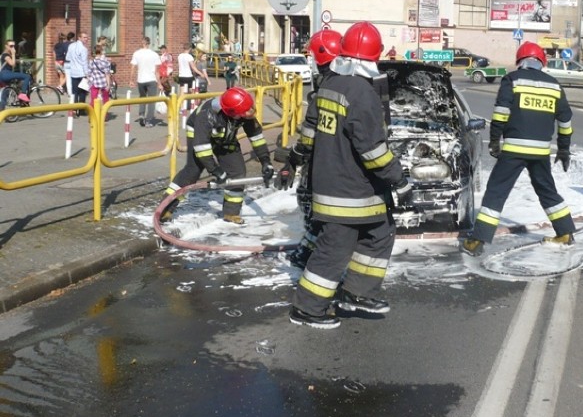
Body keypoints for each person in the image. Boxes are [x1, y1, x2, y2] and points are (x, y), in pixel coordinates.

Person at [289, 21, 411, 330]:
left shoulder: (330, 86)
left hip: (344, 182)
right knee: (334, 248)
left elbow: (311, 132)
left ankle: (357, 293)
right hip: (348, 188)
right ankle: (307, 308)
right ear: (374, 56)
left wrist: (296, 159)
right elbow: (373, 150)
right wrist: (398, 178)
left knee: (380, 232)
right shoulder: (362, 93)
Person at [461, 42, 576, 257]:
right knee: (547, 191)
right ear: (542, 62)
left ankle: (477, 241)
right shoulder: (554, 85)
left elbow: (501, 112)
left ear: (521, 61)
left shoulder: (512, 80)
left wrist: (495, 140)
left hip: (514, 150)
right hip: (541, 153)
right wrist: (563, 150)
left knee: (496, 193)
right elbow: (565, 120)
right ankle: (565, 232)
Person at [160, 87, 275, 225]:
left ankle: (231, 213)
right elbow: (202, 149)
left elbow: (257, 138)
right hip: (199, 132)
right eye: (244, 114)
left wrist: (266, 162)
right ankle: (165, 208)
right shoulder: (206, 116)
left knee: (237, 171)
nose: (248, 115)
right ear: (232, 112)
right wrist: (216, 171)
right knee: (193, 169)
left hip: (225, 135)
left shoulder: (242, 111)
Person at [280, 28, 344, 269]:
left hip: (324, 167)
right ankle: (309, 254)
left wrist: (295, 158)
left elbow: (310, 134)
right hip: (342, 167)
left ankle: (305, 256)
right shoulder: (355, 85)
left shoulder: (323, 92)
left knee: (317, 213)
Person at [130, 37, 162, 128]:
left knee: (142, 98)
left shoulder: (136, 53)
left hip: (141, 80)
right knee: (152, 100)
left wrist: (131, 80)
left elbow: (133, 68)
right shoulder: (154, 55)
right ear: (149, 43)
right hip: (151, 79)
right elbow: (157, 71)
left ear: (142, 43)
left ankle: (141, 114)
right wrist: (159, 84)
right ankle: (148, 121)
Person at [0, 38, 32, 107]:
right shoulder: (6, 55)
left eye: (14, 46)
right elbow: (12, 64)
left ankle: (1, 112)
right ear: (6, 46)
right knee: (27, 76)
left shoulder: (6, 54)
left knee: (5, 94)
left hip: (3, 75)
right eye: (11, 46)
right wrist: (13, 54)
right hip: (6, 74)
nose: (13, 47)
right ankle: (23, 94)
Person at [176, 43, 209, 107]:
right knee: (194, 92)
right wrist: (201, 73)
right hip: (188, 76)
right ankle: (197, 105)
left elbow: (178, 65)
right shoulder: (189, 56)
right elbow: (193, 68)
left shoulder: (179, 56)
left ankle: (180, 107)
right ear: (190, 49)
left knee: (182, 93)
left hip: (181, 76)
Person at [65, 32, 90, 110]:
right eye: (84, 37)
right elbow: (84, 62)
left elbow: (67, 57)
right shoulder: (84, 49)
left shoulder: (71, 46)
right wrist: (87, 74)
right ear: (79, 38)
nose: (86, 39)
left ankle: (74, 109)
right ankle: (81, 109)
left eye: (86, 37)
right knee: (82, 92)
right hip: (82, 72)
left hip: (73, 72)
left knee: (74, 91)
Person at [87, 44, 113, 110]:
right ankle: (104, 116)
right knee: (105, 100)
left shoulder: (91, 62)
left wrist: (89, 82)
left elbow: (89, 73)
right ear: (101, 51)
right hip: (104, 83)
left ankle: (92, 116)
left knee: (93, 100)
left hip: (94, 82)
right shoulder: (105, 61)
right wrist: (108, 85)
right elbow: (107, 74)